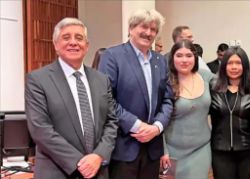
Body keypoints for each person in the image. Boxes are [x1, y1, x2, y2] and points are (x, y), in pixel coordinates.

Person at [25, 17, 118, 179]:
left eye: (79, 38)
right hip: (57, 171)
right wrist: (79, 162)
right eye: (66, 38)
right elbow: (40, 129)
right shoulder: (38, 80)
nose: (73, 42)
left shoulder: (101, 80)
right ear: (56, 45)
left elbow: (111, 122)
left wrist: (99, 155)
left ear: (87, 46)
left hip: (98, 171)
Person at [98, 9, 173, 179]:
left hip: (153, 148)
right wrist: (137, 125)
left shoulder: (160, 61)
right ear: (131, 28)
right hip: (124, 147)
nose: (148, 33)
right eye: (144, 27)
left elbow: (168, 99)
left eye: (153, 30)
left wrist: (157, 127)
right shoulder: (112, 56)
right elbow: (106, 98)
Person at [161, 39, 214, 179]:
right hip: (171, 152)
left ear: (195, 58)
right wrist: (163, 151)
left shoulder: (206, 76)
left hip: (201, 149)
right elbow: (157, 119)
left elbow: (231, 78)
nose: (184, 60)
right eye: (179, 55)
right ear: (172, 58)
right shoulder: (164, 82)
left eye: (189, 55)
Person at [210, 46, 250, 179]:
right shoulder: (213, 88)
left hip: (248, 151)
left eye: (238, 63)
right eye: (230, 63)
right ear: (224, 65)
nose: (234, 67)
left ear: (245, 66)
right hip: (220, 151)